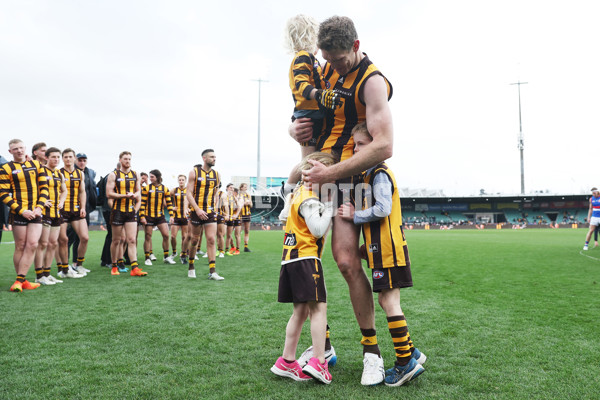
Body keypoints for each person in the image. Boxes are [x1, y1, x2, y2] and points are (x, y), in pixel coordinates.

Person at [288, 16, 395, 385]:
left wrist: (329, 174)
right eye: (326, 60)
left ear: (355, 45)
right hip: (322, 168)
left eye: (338, 61)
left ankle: (372, 353)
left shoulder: (373, 82)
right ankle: (324, 347)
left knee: (348, 263)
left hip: (352, 177)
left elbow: (384, 146)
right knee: (304, 258)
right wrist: (294, 128)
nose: (332, 67)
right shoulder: (325, 72)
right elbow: (309, 112)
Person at [338, 123, 425, 386]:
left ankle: (404, 363)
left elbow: (384, 208)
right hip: (382, 248)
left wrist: (355, 215)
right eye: (355, 146)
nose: (357, 150)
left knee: (389, 302)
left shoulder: (379, 173)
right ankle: (412, 354)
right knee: (389, 300)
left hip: (387, 249)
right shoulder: (370, 175)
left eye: (362, 145)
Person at [270, 152, 336, 384]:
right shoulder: (309, 198)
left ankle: (287, 361)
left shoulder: (297, 193)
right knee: (318, 309)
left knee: (300, 312)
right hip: (306, 258)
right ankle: (319, 361)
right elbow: (317, 230)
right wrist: (330, 207)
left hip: (289, 259)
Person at [282, 14, 340, 197]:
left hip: (313, 115)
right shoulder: (304, 57)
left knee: (312, 159)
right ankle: (290, 195)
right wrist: (320, 95)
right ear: (310, 36)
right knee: (308, 161)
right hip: (308, 115)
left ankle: (297, 194)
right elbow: (301, 85)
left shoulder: (312, 60)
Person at [0, 139, 48, 291]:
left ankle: (19, 281)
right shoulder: (6, 168)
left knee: (32, 244)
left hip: (36, 211)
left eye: (21, 148)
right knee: (20, 246)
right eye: (15, 149)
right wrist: (21, 211)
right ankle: (22, 280)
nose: (19, 151)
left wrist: (39, 208)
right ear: (10, 152)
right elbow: (3, 193)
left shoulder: (35, 164)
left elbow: (44, 188)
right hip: (19, 212)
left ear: (25, 148)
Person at [183, 149, 224, 280]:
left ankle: (212, 272)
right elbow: (188, 193)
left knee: (211, 240)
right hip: (196, 211)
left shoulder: (217, 175)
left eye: (215, 157)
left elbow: (216, 193)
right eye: (212, 157)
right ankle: (191, 265)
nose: (214, 159)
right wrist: (197, 209)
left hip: (210, 212)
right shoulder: (194, 172)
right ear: (204, 158)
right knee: (194, 239)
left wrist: (215, 208)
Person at [106, 151, 147, 276]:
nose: (128, 161)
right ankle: (114, 266)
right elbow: (109, 194)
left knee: (131, 239)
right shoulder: (113, 175)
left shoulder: (136, 174)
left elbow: (139, 191)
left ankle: (134, 268)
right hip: (117, 211)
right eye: (125, 159)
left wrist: (135, 198)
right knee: (116, 240)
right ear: (120, 160)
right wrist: (124, 195)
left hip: (130, 212)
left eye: (129, 159)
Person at [34, 147, 68, 284]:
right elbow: (34, 188)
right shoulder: (40, 170)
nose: (56, 159)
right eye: (53, 157)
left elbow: (64, 191)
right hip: (44, 212)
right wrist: (41, 201)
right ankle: (39, 275)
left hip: (56, 212)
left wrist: (61, 202)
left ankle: (47, 273)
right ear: (47, 157)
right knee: (43, 243)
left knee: (53, 243)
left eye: (58, 157)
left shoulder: (59, 174)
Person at [57, 148, 89, 278]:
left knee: (85, 238)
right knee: (63, 239)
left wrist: (83, 207)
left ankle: (79, 265)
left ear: (74, 158)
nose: (68, 159)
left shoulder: (80, 173)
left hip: (76, 209)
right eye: (65, 157)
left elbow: (82, 192)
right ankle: (64, 268)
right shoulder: (58, 173)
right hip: (62, 210)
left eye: (70, 157)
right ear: (62, 158)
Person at [139, 169, 176, 265]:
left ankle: (166, 256)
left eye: (152, 177)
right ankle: (147, 258)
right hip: (148, 216)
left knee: (166, 235)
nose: (150, 178)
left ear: (157, 177)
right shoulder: (146, 188)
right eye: (150, 176)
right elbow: (142, 204)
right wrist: (142, 216)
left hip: (160, 216)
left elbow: (169, 203)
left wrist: (171, 216)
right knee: (148, 236)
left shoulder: (165, 188)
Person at [68, 152, 97, 265]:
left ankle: (77, 263)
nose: (82, 162)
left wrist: (91, 205)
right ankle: (64, 265)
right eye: (80, 160)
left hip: (85, 209)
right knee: (68, 238)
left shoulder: (90, 172)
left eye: (84, 160)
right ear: (75, 160)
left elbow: (91, 191)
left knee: (82, 238)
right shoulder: (70, 171)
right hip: (70, 209)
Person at [170, 174, 189, 262]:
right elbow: (164, 198)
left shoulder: (189, 190)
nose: (181, 181)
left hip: (185, 217)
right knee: (173, 236)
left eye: (183, 180)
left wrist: (189, 208)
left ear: (185, 181)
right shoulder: (174, 190)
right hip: (176, 217)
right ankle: (174, 252)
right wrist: (171, 207)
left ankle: (183, 253)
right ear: (178, 181)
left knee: (184, 237)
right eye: (180, 180)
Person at [239, 183, 253, 252]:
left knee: (247, 230)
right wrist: (244, 203)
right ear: (241, 188)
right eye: (244, 187)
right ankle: (236, 247)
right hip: (240, 214)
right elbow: (238, 204)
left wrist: (249, 203)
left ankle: (246, 246)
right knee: (238, 230)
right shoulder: (238, 195)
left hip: (247, 214)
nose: (246, 188)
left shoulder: (248, 195)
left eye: (246, 187)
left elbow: (251, 205)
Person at [215, 188, 227, 258]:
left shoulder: (223, 194)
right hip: (211, 215)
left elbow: (225, 205)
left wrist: (226, 214)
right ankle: (214, 250)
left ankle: (221, 251)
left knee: (220, 234)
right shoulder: (209, 192)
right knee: (211, 235)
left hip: (220, 215)